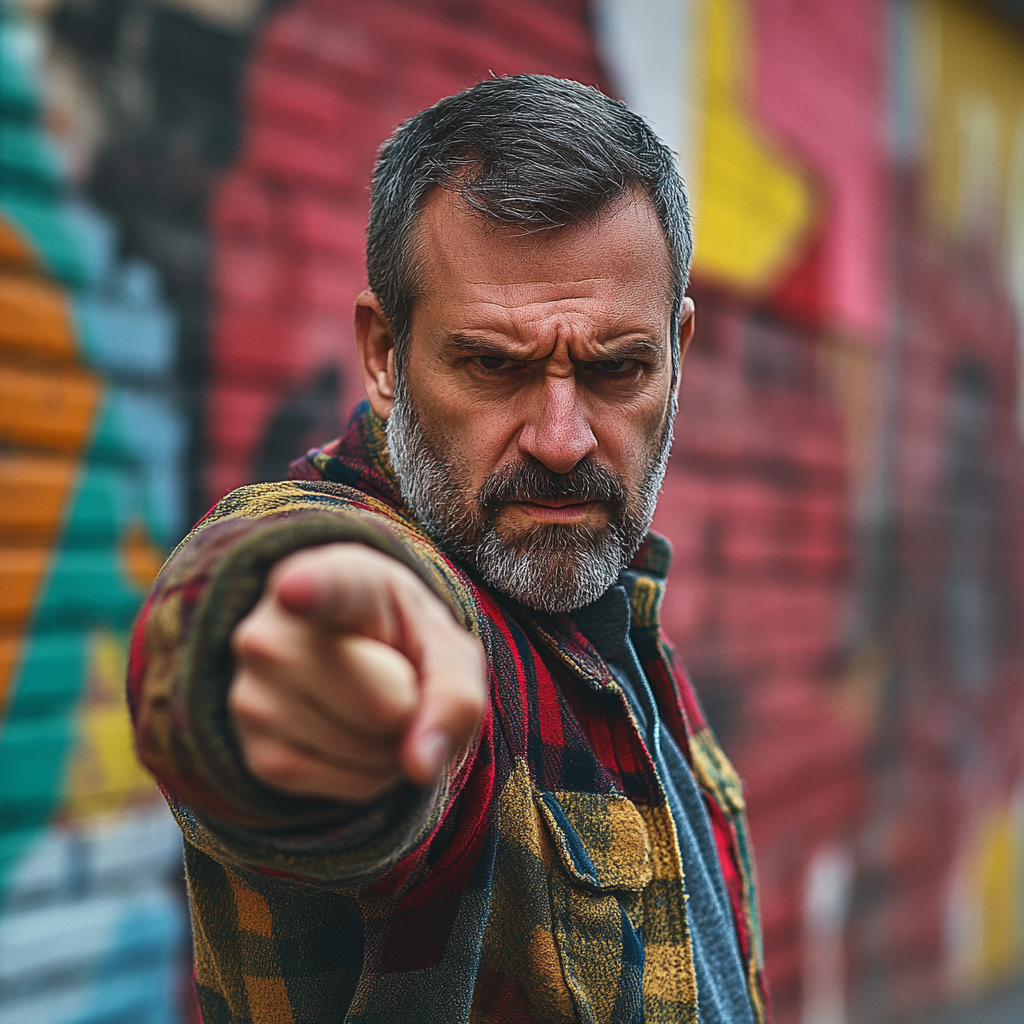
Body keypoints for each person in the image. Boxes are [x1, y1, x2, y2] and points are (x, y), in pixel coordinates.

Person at [129, 74, 770, 1024]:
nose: (563, 439)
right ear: (386, 353)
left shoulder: (616, 614)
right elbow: (251, 590)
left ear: (677, 350)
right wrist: (296, 669)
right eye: (493, 365)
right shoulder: (411, 595)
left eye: (618, 368)